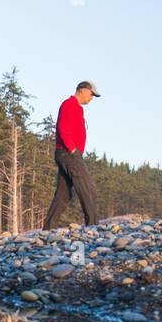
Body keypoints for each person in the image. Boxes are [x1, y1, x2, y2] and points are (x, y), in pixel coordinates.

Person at [42, 80, 101, 229]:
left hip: (67, 154)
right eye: (91, 94)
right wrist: (72, 149)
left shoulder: (77, 108)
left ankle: (48, 228)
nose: (91, 98)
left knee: (63, 194)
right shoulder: (69, 104)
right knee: (87, 187)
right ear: (82, 90)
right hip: (69, 154)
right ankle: (93, 226)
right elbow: (63, 127)